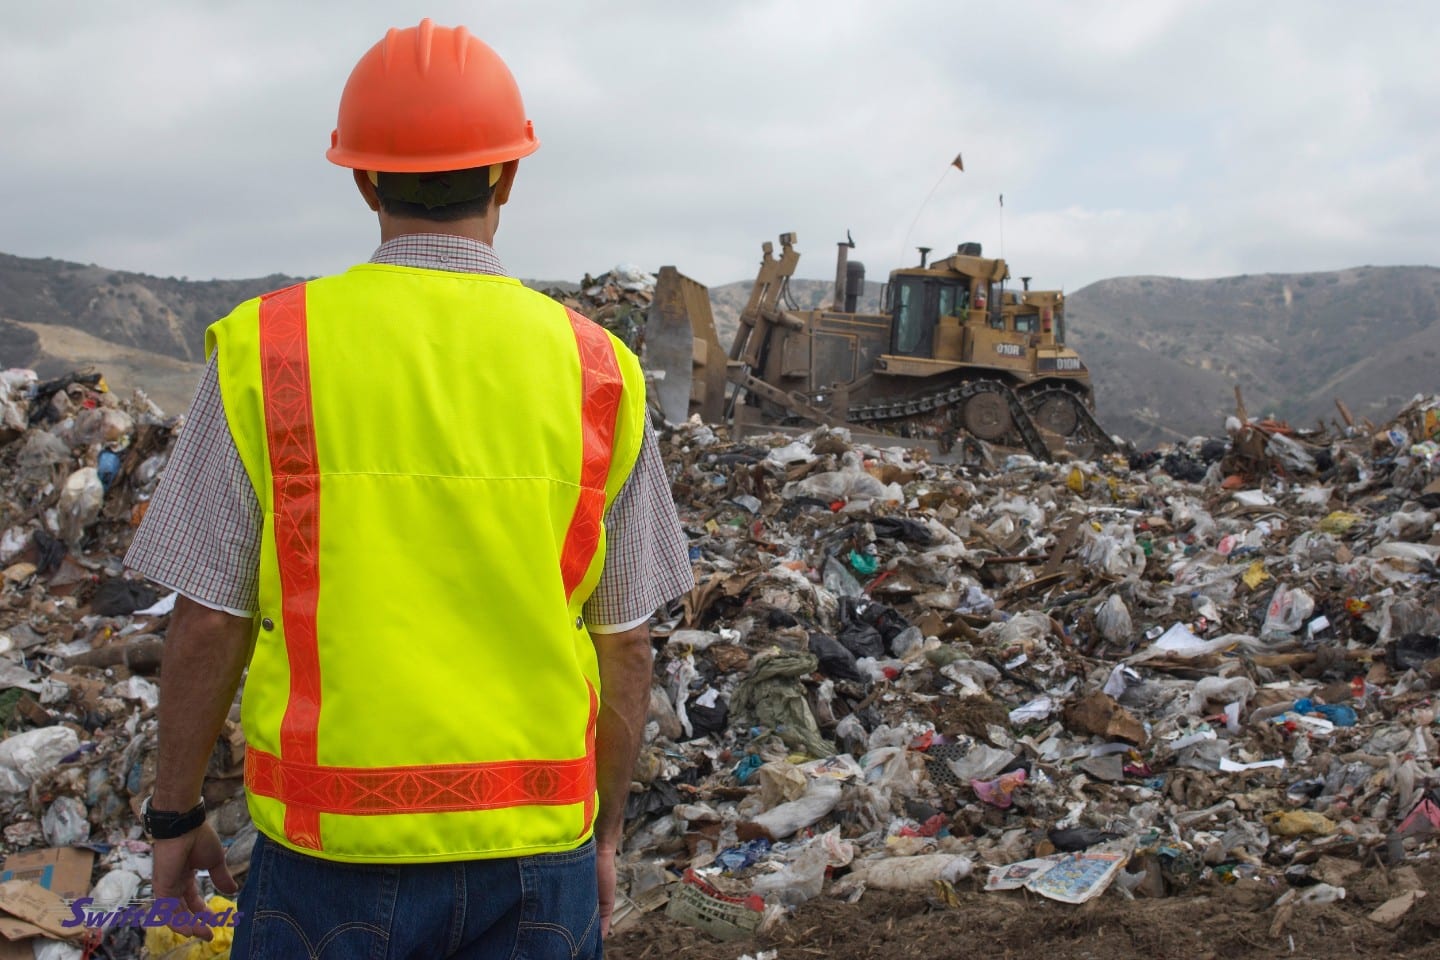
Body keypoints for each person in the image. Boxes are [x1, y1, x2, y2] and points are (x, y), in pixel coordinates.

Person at [124, 19, 693, 959]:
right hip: (536, 855)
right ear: (508, 177)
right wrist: (607, 836)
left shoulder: (272, 349)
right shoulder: (598, 369)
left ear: (362, 179)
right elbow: (625, 642)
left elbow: (209, 619)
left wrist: (173, 814)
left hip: (325, 854)